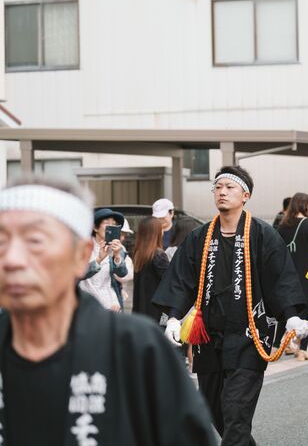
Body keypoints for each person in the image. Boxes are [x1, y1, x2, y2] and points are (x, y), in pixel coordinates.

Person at [0, 177, 217, 445]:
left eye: (34, 241)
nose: (12, 259)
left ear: (80, 256)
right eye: (1, 241)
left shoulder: (137, 348)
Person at [153, 165, 308, 446]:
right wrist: (174, 318)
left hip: (249, 337)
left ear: (245, 195)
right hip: (208, 337)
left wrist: (291, 317)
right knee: (216, 411)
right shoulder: (199, 238)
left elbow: (280, 279)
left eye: (230, 187)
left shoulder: (263, 235)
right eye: (218, 187)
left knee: (236, 412)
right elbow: (181, 279)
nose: (222, 192)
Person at [277, 192, 308, 361]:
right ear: (304, 205)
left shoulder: (282, 227)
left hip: (288, 277)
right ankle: (302, 350)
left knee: (290, 311)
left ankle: (284, 345)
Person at [79, 208, 129, 311]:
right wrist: (99, 259)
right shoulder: (82, 247)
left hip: (110, 305)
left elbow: (122, 273)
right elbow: (79, 274)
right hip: (86, 306)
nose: (110, 227)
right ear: (95, 228)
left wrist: (117, 255)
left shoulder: (117, 248)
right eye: (107, 223)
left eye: (114, 224)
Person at [132, 216, 170, 325]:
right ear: (156, 233)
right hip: (155, 313)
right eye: (161, 229)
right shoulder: (158, 255)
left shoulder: (139, 254)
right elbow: (169, 281)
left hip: (140, 311)